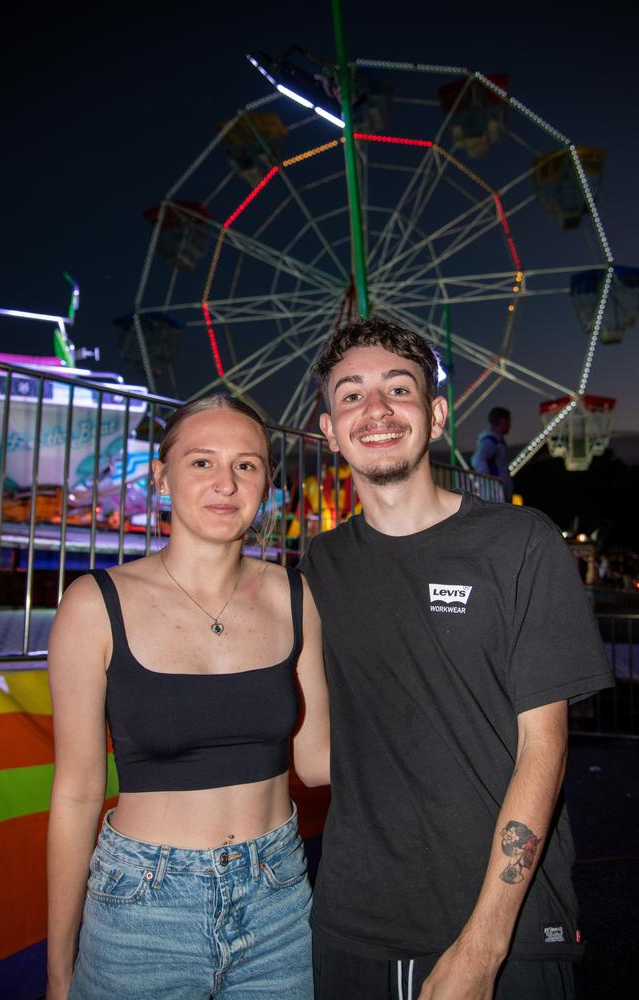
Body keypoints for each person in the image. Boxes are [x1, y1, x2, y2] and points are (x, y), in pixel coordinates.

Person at [298, 317, 614, 1000]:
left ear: (437, 416)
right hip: (354, 926)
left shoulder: (518, 544)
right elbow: (314, 756)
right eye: (350, 395)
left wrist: (484, 945)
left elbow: (544, 749)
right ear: (328, 430)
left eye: (398, 389)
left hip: (505, 934)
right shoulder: (320, 566)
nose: (375, 410)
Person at [46, 394, 329, 1000]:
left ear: (266, 481)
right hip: (142, 906)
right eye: (201, 462)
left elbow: (317, 760)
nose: (225, 483)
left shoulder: (295, 596)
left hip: (278, 897)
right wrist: (58, 967)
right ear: (162, 475)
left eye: (247, 465)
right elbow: (75, 792)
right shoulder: (95, 605)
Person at [471, 406, 514, 501]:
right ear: (502, 421)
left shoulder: (496, 441)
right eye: (509, 421)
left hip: (500, 494)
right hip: (496, 496)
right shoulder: (491, 441)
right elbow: (477, 460)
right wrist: (491, 483)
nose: (510, 425)